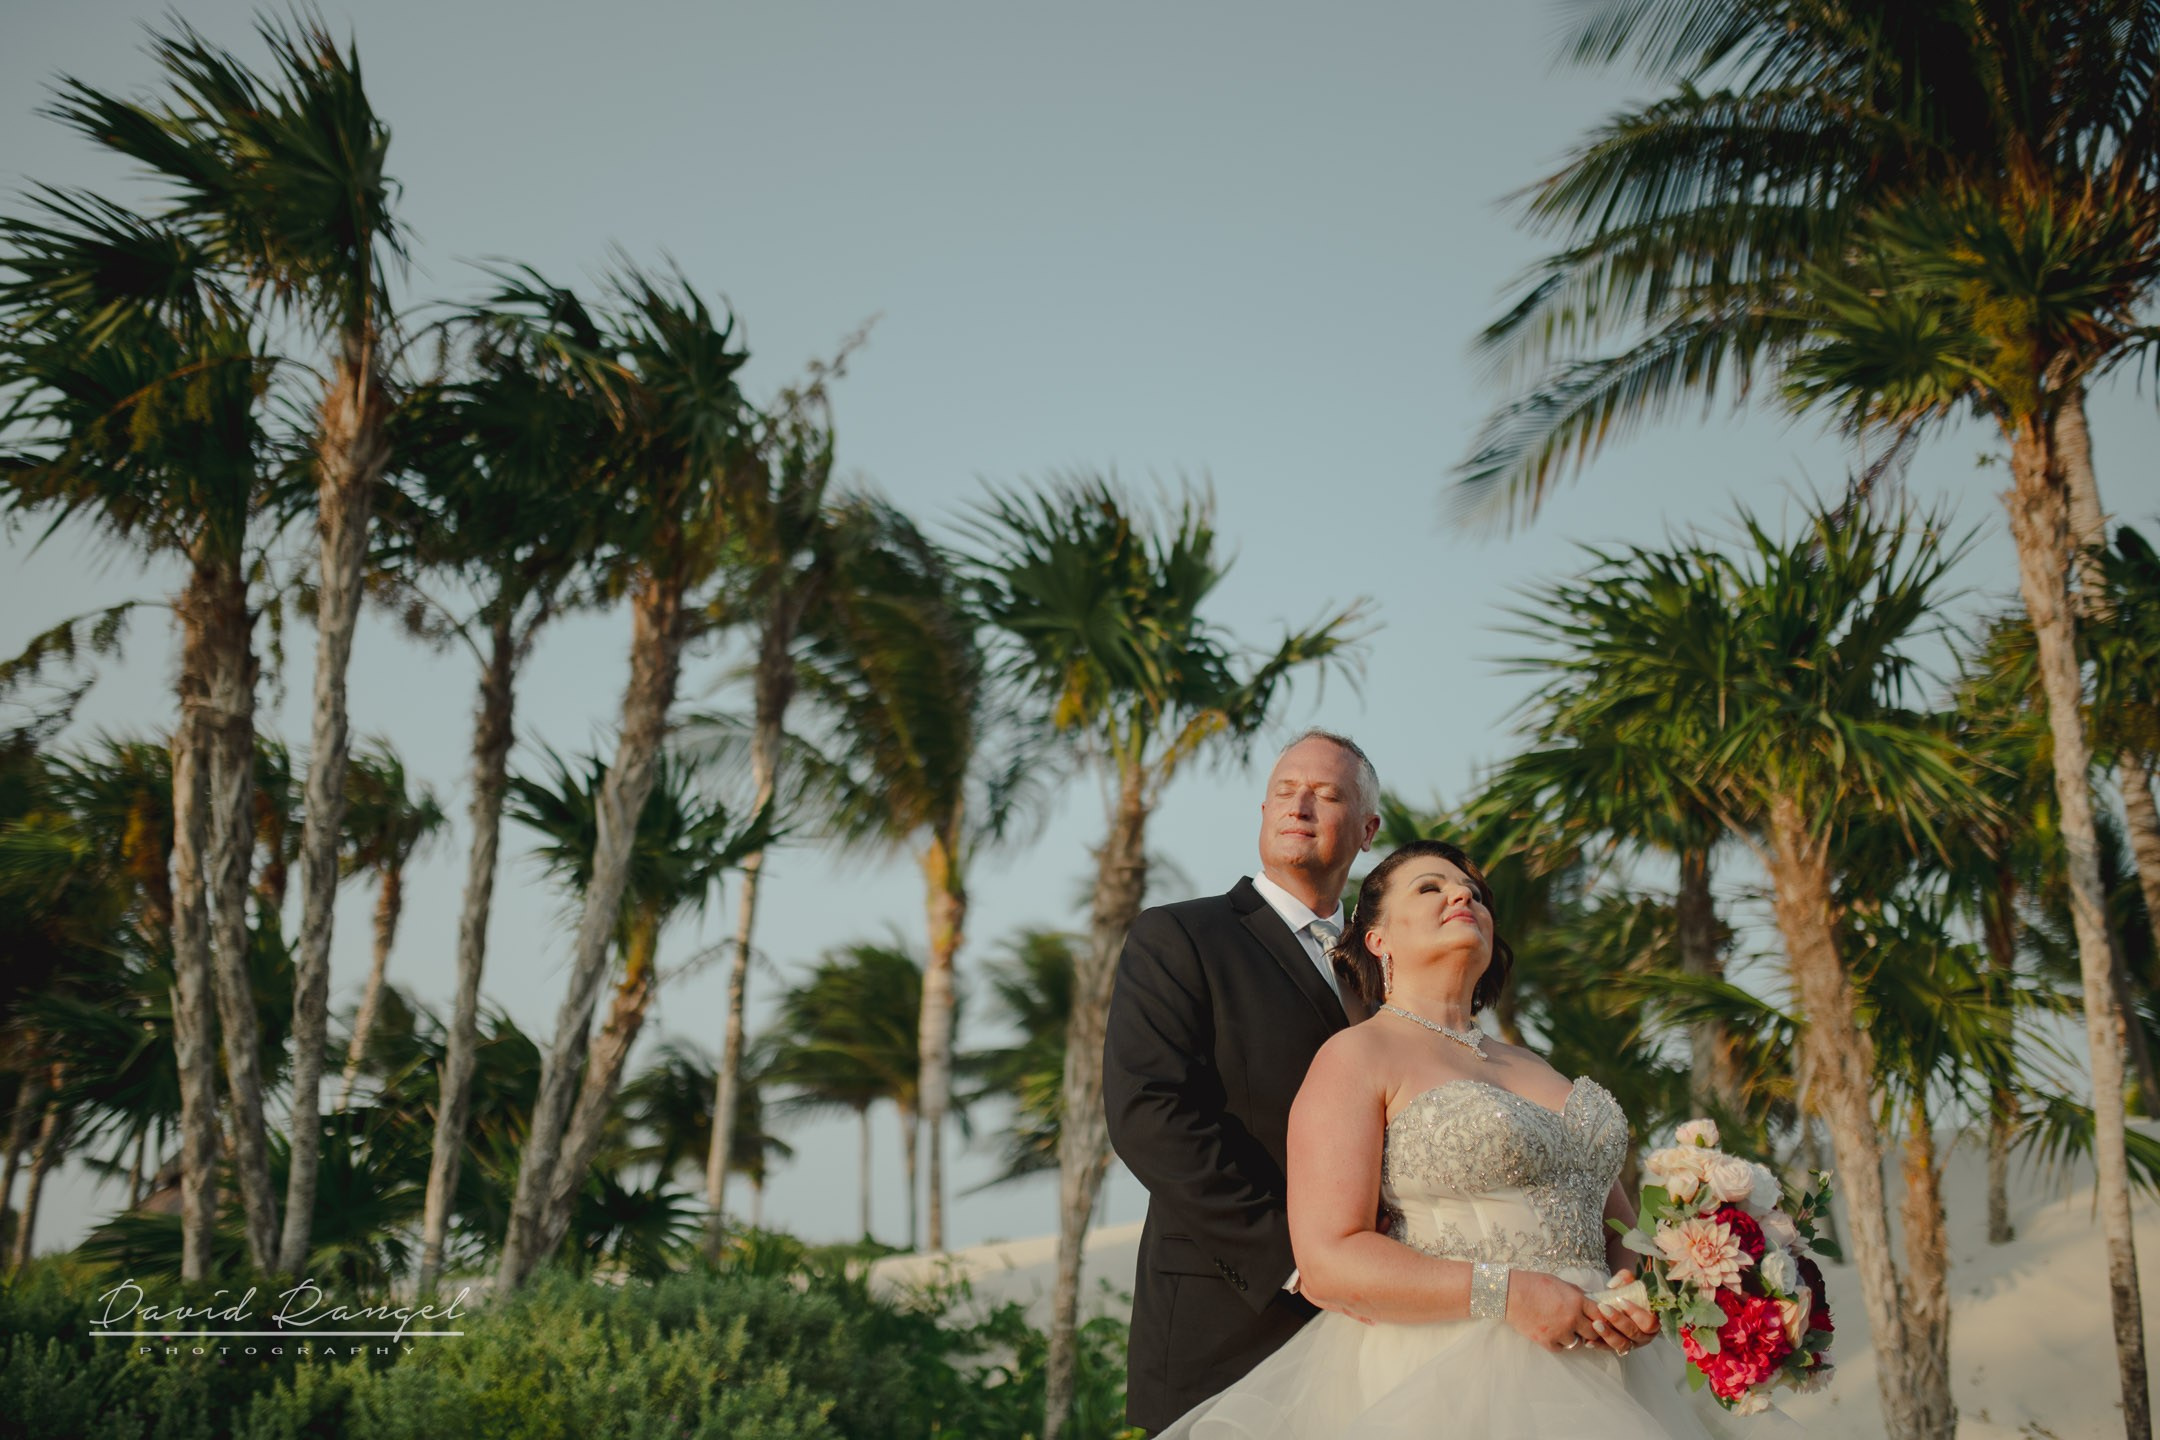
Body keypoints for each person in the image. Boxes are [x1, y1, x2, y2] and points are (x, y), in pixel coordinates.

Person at [1147, 838, 1738, 1440]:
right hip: (1452, 1375)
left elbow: (1616, 1226)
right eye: (1430, 888)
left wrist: (1633, 1291)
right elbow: (1328, 1260)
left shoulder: (1540, 1066)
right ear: (1377, 939)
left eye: (1475, 894)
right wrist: (1505, 1293)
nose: (1463, 895)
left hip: (1614, 1374)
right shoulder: (1357, 1057)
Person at [1103, 728, 1387, 1435]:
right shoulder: (1180, 937)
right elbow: (1151, 1115)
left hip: (1383, 1338)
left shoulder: (1390, 969)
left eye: (1326, 795)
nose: (1300, 806)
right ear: (1263, 813)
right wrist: (1302, 1261)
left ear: (1367, 829)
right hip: (1229, 1324)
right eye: (1286, 792)